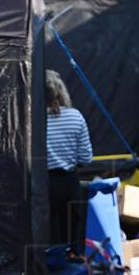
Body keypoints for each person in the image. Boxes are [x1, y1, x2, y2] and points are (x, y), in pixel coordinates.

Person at [45, 69, 93, 246]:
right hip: (70, 183)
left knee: (50, 238)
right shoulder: (76, 117)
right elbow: (86, 157)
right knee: (73, 236)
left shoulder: (33, 121)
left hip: (45, 186)